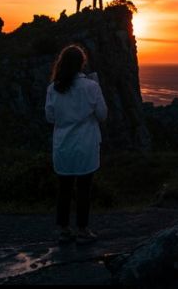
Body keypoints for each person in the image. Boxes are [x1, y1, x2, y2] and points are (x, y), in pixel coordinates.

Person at [45, 44, 108, 245]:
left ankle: (63, 229)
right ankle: (82, 229)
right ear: (82, 63)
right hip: (86, 144)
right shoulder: (91, 87)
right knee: (84, 188)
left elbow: (50, 117)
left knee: (64, 188)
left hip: (63, 145)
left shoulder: (53, 88)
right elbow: (102, 115)